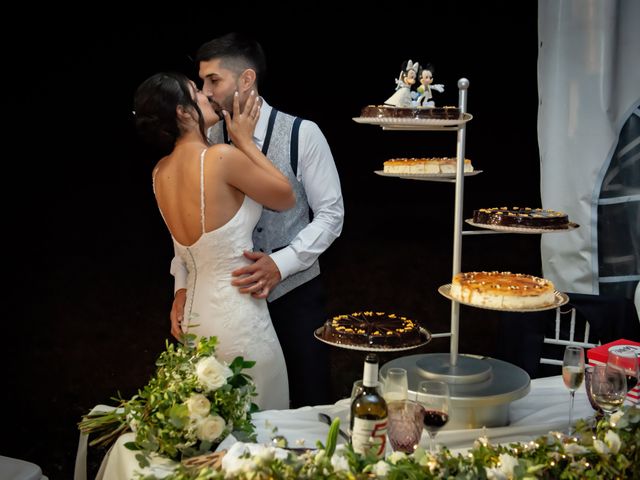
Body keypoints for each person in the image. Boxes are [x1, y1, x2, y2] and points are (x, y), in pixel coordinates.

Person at [171, 33, 344, 408]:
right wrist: (182, 286)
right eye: (202, 82)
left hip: (294, 297)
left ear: (246, 80)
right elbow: (184, 222)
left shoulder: (303, 134)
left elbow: (331, 215)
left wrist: (281, 265)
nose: (205, 91)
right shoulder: (203, 141)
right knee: (230, 409)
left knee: (307, 402)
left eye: (213, 80)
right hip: (230, 308)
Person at [134, 71, 294, 410]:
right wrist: (246, 142)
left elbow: (185, 251)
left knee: (213, 425)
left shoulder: (160, 172)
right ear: (182, 111)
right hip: (239, 318)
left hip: (195, 318)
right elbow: (285, 197)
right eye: (195, 90)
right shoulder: (221, 157)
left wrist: (179, 291)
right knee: (261, 423)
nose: (206, 95)